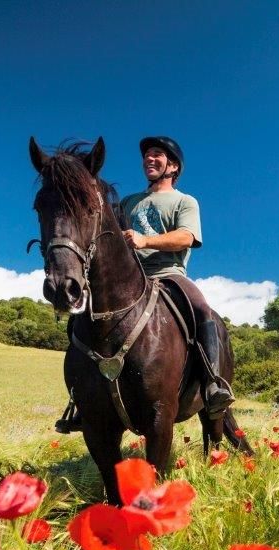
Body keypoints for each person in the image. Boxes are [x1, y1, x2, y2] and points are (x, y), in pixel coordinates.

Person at [54, 136, 234, 433]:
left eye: (158, 155)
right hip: (126, 277)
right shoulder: (128, 202)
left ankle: (214, 384)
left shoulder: (184, 201)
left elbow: (187, 237)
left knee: (202, 309)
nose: (150, 159)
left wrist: (145, 240)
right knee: (79, 321)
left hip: (169, 273)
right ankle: (80, 401)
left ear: (173, 166)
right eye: (147, 155)